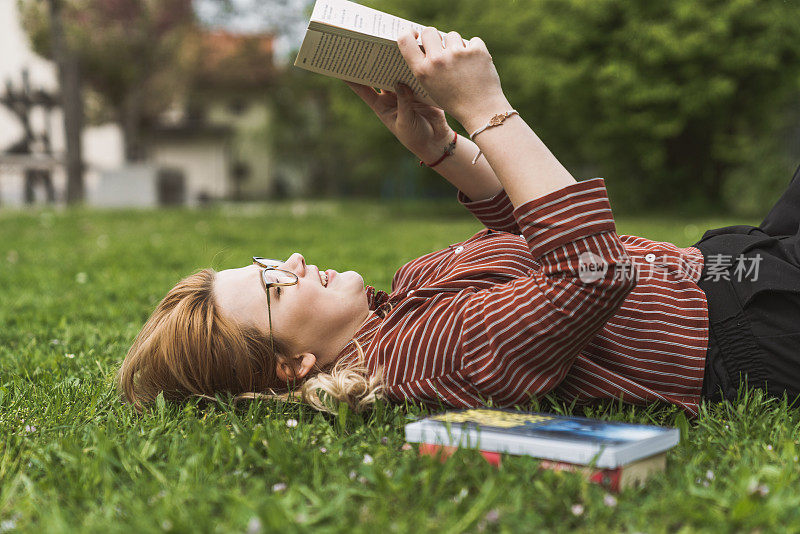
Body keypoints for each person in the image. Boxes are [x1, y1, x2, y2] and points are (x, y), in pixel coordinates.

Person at [118, 27, 800, 416]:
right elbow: (592, 271)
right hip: (756, 323)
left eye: (268, 263)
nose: (289, 264)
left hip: (732, 268)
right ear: (291, 367)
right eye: (273, 289)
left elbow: (526, 232)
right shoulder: (422, 355)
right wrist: (486, 106)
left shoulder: (403, 302)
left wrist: (441, 149)